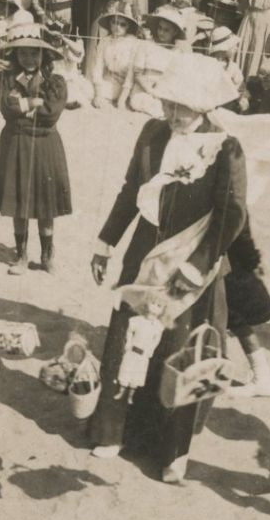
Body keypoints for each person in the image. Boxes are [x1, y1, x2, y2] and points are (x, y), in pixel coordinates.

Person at [87, 51, 249, 483]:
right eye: (169, 103)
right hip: (145, 254)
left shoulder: (226, 147)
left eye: (183, 106)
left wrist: (197, 266)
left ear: (203, 107)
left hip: (192, 264)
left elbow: (231, 215)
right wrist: (106, 242)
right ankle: (112, 430)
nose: (172, 113)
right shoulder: (152, 133)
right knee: (127, 342)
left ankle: (173, 450)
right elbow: (130, 191)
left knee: (180, 352)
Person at [0, 24, 72, 275]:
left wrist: (22, 106)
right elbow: (6, 108)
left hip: (45, 144)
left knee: (45, 203)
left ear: (44, 55)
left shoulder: (55, 82)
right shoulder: (6, 79)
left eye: (35, 53)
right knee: (19, 200)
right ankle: (21, 253)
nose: (29, 59)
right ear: (15, 56)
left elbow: (51, 114)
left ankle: (47, 254)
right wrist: (32, 103)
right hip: (16, 142)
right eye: (23, 53)